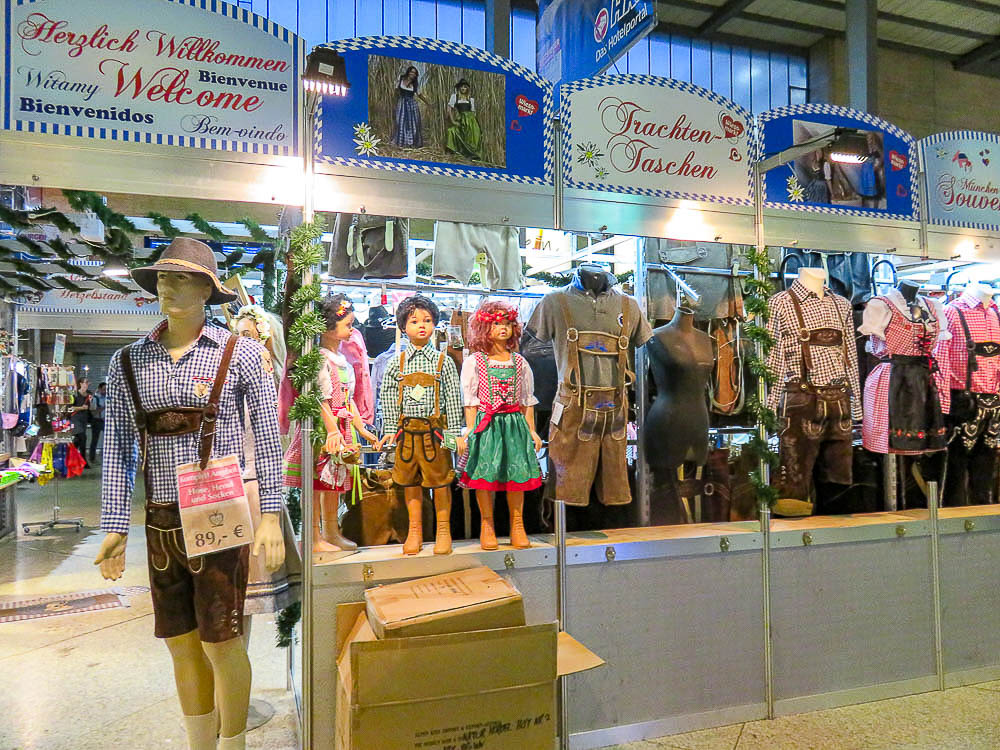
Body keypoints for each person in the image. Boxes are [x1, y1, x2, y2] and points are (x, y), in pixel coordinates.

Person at [94, 237, 286, 750]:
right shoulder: (127, 362)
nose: (168, 286)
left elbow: (268, 440)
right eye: (162, 276)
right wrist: (115, 526)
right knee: (179, 642)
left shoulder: (241, 353)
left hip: (218, 510)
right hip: (161, 519)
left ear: (207, 288)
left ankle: (233, 743)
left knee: (220, 639)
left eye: (181, 277)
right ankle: (199, 741)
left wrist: (271, 514)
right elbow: (116, 446)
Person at [284, 294, 377, 553]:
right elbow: (318, 398)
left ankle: (331, 532)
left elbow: (348, 400)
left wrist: (360, 429)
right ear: (327, 328)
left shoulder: (342, 361)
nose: (352, 330)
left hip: (340, 429)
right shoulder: (319, 359)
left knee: (333, 483)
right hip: (322, 430)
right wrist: (332, 429)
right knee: (315, 483)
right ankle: (313, 537)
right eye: (348, 325)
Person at [378, 296, 465, 555]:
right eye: (414, 321)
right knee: (410, 484)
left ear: (436, 325)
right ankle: (414, 531)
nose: (421, 326)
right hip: (407, 436)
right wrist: (391, 431)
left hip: (436, 435)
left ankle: (443, 531)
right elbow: (388, 399)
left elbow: (453, 399)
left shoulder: (444, 362)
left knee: (440, 484)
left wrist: (454, 436)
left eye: (427, 320)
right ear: (403, 326)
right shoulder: (396, 363)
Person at [458, 301, 542, 550]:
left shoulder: (520, 362)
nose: (503, 328)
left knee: (515, 473)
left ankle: (517, 524)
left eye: (507, 323)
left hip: (514, 426)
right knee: (486, 474)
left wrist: (532, 430)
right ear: (484, 327)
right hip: (487, 426)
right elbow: (470, 402)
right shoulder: (476, 362)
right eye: (496, 323)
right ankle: (487, 523)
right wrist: (472, 431)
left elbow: (527, 401)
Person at [445, 78, 483, 161]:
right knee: (451, 131)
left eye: (465, 87)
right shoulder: (455, 97)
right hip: (461, 119)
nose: (463, 88)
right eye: (461, 87)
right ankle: (451, 152)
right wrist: (452, 121)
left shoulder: (470, 99)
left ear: (467, 88)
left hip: (471, 121)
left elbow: (473, 112)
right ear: (459, 88)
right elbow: (449, 109)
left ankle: (471, 155)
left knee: (474, 136)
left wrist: (476, 123)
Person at [391, 65, 429, 149]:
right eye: (411, 72)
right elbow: (396, 91)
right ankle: (401, 142)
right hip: (402, 103)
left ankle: (411, 143)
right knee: (400, 121)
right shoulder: (400, 79)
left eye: (415, 73)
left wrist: (428, 103)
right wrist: (394, 103)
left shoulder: (415, 85)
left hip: (412, 106)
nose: (413, 74)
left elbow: (420, 95)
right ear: (408, 72)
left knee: (412, 123)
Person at [70, 377, 92, 468]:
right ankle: (83, 460)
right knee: (83, 437)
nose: (86, 385)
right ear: (80, 384)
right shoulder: (75, 394)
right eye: (84, 383)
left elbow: (91, 407)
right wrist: (81, 408)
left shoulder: (89, 395)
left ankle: (73, 457)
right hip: (75, 419)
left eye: (87, 383)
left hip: (84, 419)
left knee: (78, 440)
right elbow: (70, 408)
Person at [88, 382, 107, 464]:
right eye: (104, 389)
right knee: (94, 440)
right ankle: (92, 458)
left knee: (109, 439)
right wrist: (103, 408)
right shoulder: (95, 398)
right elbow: (93, 411)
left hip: (106, 421)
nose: (105, 391)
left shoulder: (108, 398)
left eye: (106, 389)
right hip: (97, 421)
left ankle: (107, 457)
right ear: (99, 389)